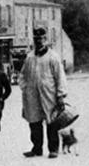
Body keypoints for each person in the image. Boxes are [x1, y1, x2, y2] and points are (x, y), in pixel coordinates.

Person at [20, 27, 68, 159]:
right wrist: (24, 87)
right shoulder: (29, 57)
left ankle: (53, 149)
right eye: (37, 39)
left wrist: (60, 95)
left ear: (46, 40)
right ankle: (37, 148)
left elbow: (60, 76)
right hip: (32, 95)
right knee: (34, 121)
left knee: (51, 121)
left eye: (42, 39)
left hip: (49, 94)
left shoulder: (53, 57)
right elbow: (22, 75)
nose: (39, 41)